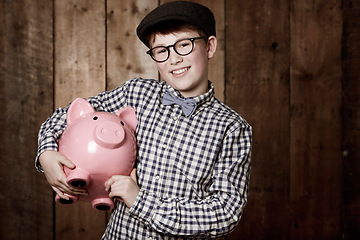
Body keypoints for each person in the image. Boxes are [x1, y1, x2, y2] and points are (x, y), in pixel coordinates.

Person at [36, 1, 252, 239]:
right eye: (162, 50)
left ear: (209, 47)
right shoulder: (137, 94)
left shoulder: (232, 128)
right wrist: (46, 153)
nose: (174, 59)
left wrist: (139, 200)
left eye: (184, 45)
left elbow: (225, 213)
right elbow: (68, 116)